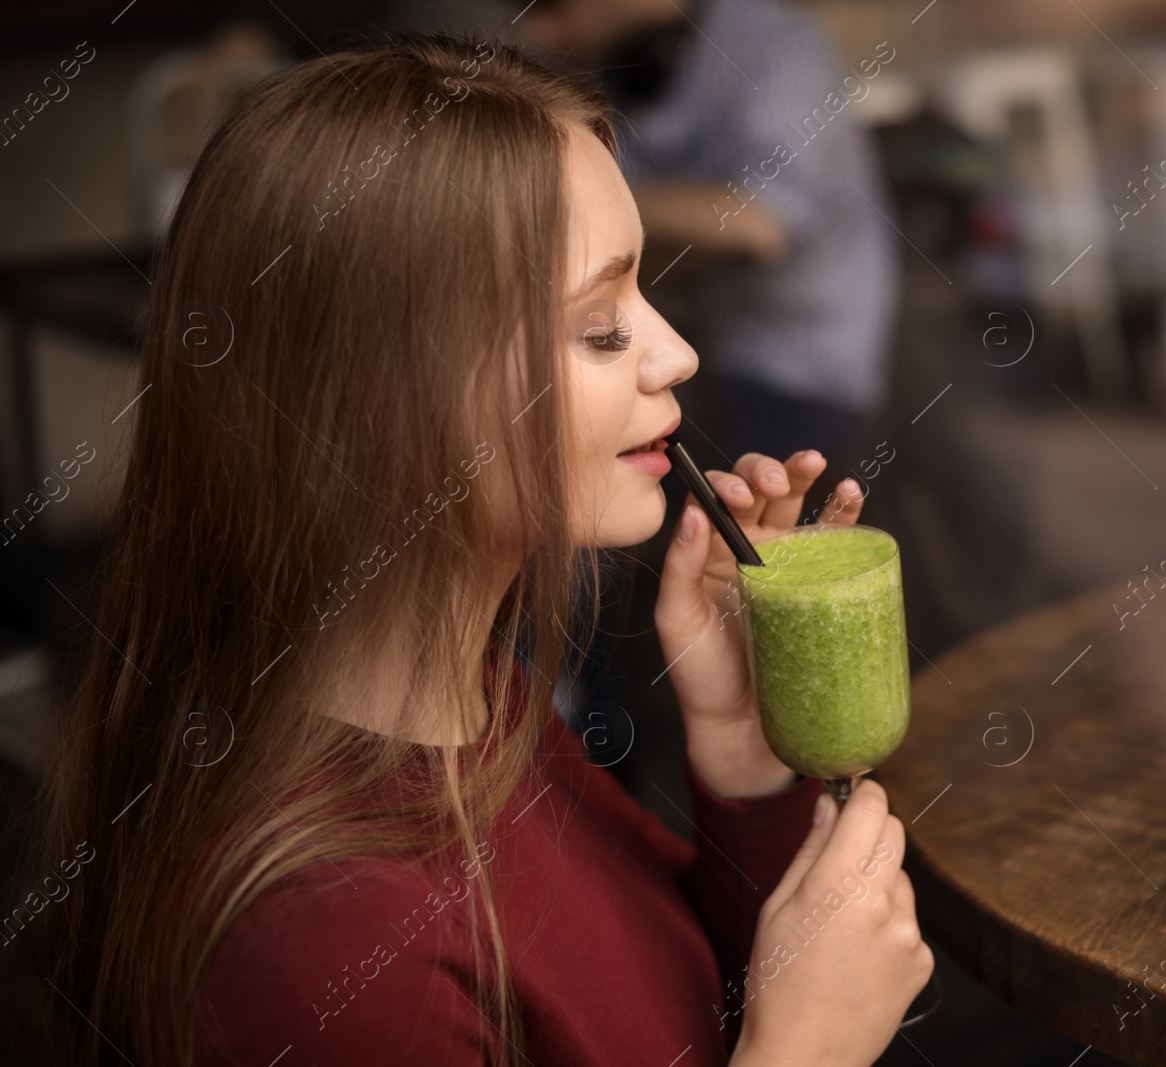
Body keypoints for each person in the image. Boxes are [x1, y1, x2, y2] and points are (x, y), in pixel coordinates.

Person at [22, 33, 931, 1067]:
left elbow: (679, 1006)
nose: (675, 352)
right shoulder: (327, 951)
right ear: (380, 405)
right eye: (600, 328)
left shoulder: (481, 703)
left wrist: (737, 753)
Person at [515, 0, 901, 467]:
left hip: (797, 371)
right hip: (692, 360)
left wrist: (567, 199)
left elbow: (760, 221)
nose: (540, 32)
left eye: (551, 6)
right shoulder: (602, 69)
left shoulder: (778, 47)